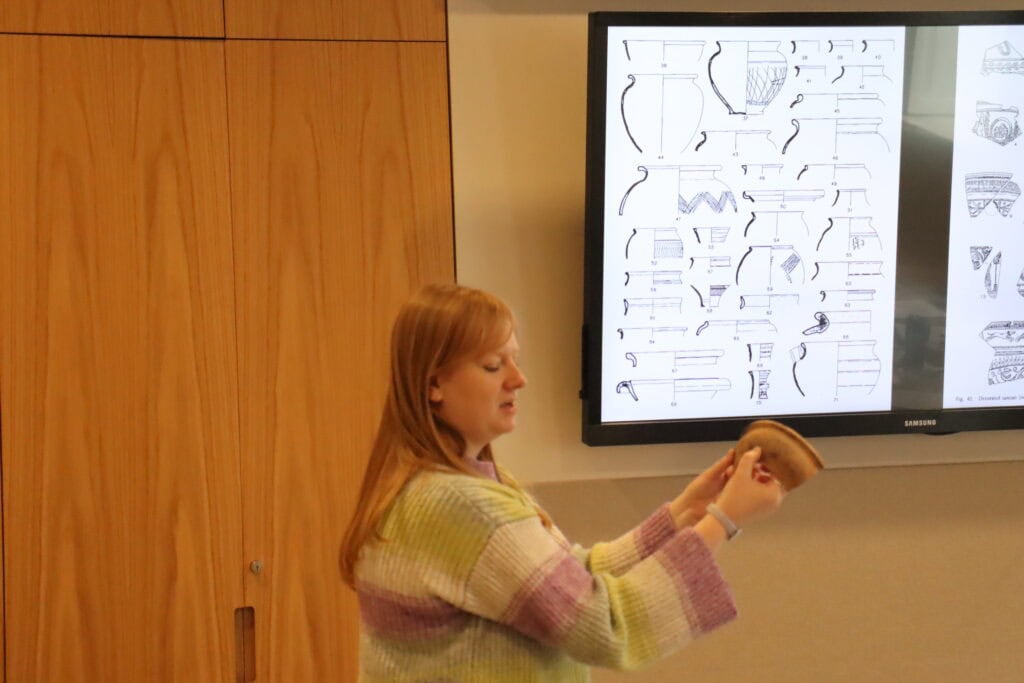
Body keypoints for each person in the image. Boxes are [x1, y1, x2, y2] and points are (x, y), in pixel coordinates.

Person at [341, 283, 785, 682]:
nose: (519, 379)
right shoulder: (459, 504)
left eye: (515, 359)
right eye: (494, 365)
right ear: (434, 383)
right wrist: (723, 521)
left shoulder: (448, 485)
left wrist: (687, 513)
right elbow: (600, 624)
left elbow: (569, 578)